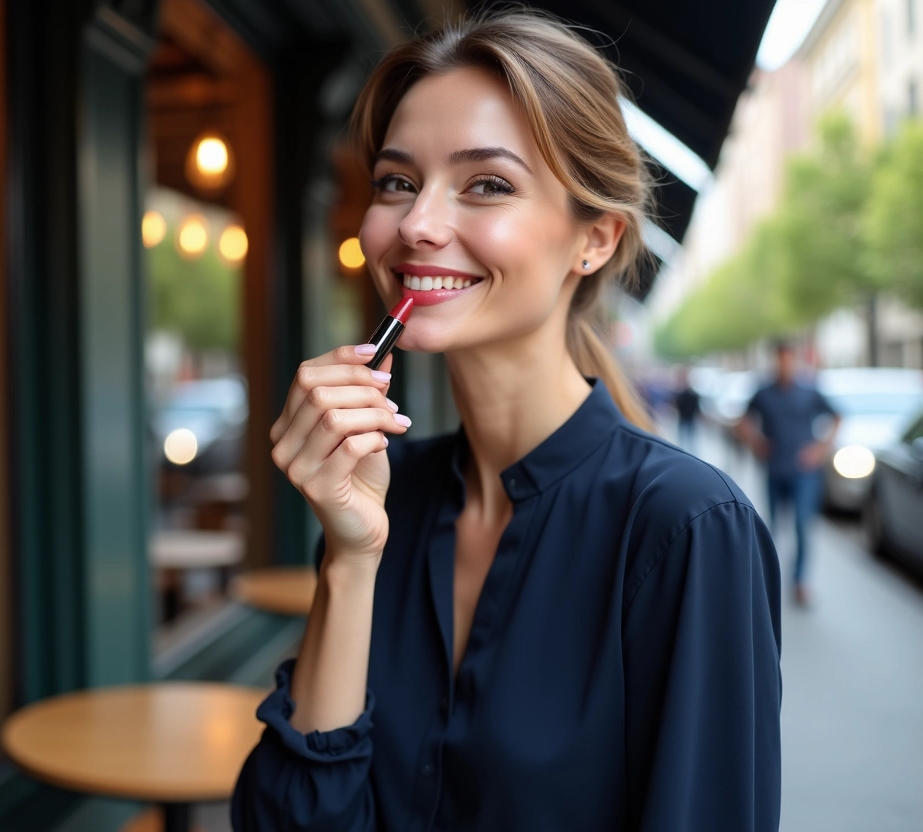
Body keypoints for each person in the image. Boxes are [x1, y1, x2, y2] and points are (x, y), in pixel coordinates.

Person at [233, 11, 781, 832]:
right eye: (396, 182)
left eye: (487, 184)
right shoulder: (383, 498)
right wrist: (350, 561)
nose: (417, 224)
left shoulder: (687, 528)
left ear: (595, 239)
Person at [738, 342, 839, 607]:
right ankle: (769, 578)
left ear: (794, 361)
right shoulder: (764, 393)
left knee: (802, 525)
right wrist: (756, 443)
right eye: (780, 359)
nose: (784, 364)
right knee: (772, 526)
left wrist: (820, 450)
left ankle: (800, 580)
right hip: (774, 469)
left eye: (788, 359)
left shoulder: (809, 391)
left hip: (804, 472)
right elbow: (742, 422)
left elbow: (837, 417)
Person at [673, 366, 702, 451]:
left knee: (689, 438)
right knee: (685, 438)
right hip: (684, 418)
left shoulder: (691, 393)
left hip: (689, 418)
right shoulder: (681, 393)